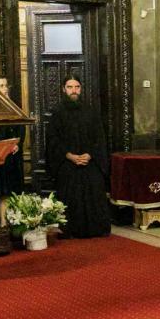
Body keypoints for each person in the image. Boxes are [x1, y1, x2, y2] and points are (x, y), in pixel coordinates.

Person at [46, 76, 110, 238]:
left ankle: (95, 229)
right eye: (70, 87)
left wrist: (89, 154)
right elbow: (53, 140)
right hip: (67, 161)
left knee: (94, 182)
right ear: (63, 89)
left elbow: (100, 138)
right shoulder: (57, 113)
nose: (73, 90)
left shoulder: (91, 111)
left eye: (77, 87)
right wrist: (70, 156)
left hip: (90, 160)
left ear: (81, 89)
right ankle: (70, 230)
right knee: (69, 183)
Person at [0, 75, 25, 226]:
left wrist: (18, 143)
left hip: (14, 157)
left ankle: (14, 223)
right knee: (3, 192)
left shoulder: (14, 106)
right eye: (1, 85)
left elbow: (21, 126)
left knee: (13, 191)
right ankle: (4, 223)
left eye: (6, 85)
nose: (5, 89)